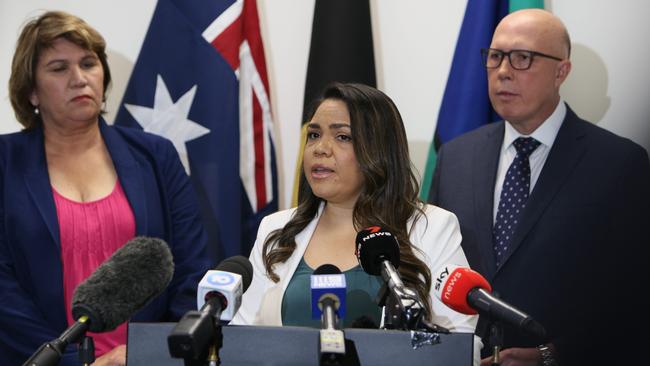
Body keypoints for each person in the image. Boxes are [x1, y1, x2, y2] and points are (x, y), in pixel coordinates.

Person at [429, 9, 650, 366]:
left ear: (562, 71)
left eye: (522, 58)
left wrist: (552, 354)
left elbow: (635, 294)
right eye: (496, 57)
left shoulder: (619, 164)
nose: (503, 71)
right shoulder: (456, 157)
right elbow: (433, 269)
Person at [0, 11, 213, 366]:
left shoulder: (156, 156)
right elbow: (3, 292)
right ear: (32, 91)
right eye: (59, 68)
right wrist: (69, 361)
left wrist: (152, 351)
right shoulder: (5, 163)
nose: (79, 78)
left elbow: (192, 269)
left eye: (88, 63)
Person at [231, 82, 481, 361]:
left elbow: (460, 341)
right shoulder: (275, 230)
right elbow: (242, 336)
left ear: (379, 150)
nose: (320, 148)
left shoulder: (433, 227)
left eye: (343, 137)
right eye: (314, 135)